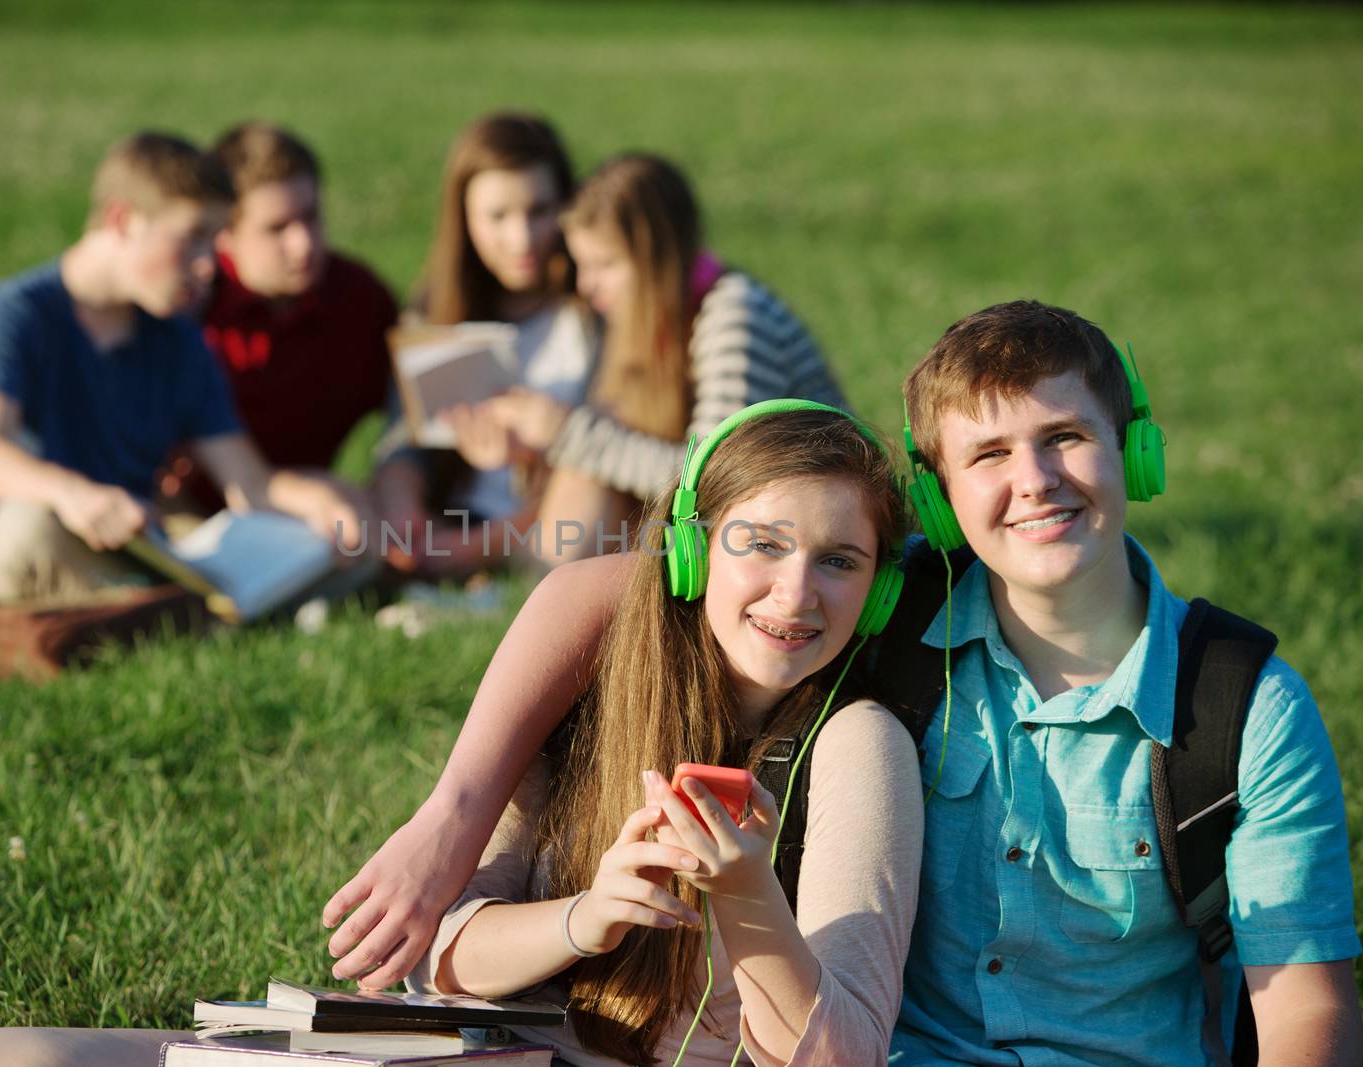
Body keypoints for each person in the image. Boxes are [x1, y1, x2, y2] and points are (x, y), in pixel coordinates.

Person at [325, 301, 1362, 1065]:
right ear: (942, 498)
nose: (1035, 480)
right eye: (989, 453)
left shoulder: (1241, 705)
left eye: (1065, 438)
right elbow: (616, 591)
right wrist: (451, 814)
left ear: (1132, 448)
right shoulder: (889, 612)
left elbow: (1304, 1009)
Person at [0, 402, 921, 1067]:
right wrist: (590, 914)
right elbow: (442, 955)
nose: (796, 592)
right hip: (479, 1049)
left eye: (839, 560)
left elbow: (843, 1049)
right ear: (699, 554)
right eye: (760, 543)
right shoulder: (603, 700)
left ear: (876, 591)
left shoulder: (854, 745)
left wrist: (746, 892)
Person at [0, 131, 363, 606]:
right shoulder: (14, 315)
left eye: (213, 241)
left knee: (343, 548)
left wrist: (319, 503)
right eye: (192, 238)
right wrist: (75, 496)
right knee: (24, 531)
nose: (208, 264)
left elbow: (249, 483)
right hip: (46, 536)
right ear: (122, 220)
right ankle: (192, 609)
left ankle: (175, 607)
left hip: (144, 550)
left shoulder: (180, 339)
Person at [479, 153, 849, 564]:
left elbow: (712, 486)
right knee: (586, 466)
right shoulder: (642, 320)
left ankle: (545, 605)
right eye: (581, 265)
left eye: (605, 264)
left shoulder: (734, 315)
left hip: (806, 524)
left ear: (658, 260)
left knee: (588, 457)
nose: (586, 285)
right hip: (739, 524)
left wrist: (566, 433)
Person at [371, 111, 596, 577]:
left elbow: (606, 465)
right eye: (497, 217)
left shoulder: (591, 312)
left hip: (566, 531)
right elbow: (404, 438)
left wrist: (469, 550)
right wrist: (403, 510)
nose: (521, 239)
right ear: (464, 219)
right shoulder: (436, 310)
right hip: (455, 516)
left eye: (539, 211)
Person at [160, 121, 396, 535]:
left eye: (310, 217)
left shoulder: (359, 301)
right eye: (277, 228)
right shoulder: (183, 310)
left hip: (308, 513)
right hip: (180, 517)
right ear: (224, 235)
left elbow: (414, 415)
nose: (303, 244)